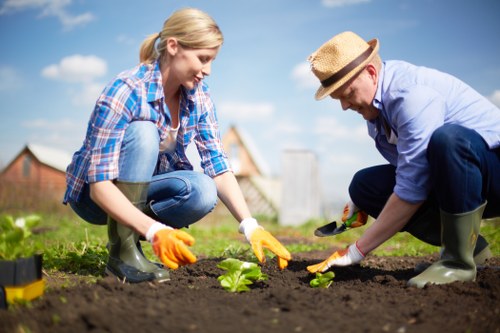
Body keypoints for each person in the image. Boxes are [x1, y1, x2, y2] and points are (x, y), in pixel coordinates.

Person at [63, 8, 291, 283]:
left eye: (212, 61)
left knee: (203, 189)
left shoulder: (199, 98)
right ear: (173, 46)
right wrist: (154, 231)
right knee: (145, 131)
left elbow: (218, 165)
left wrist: (251, 226)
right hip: (95, 198)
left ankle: (134, 233)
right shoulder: (125, 91)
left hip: (142, 191)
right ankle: (121, 254)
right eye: (203, 59)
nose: (207, 70)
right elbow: (99, 187)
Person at [306, 31, 500, 288]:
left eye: (347, 93)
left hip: (492, 170)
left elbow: (412, 188)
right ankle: (472, 250)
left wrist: (356, 251)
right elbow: (409, 171)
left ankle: (457, 262)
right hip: (460, 179)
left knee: (449, 140)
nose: (344, 106)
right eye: (338, 98)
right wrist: (360, 201)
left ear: (371, 74)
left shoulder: (410, 96)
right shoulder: (376, 117)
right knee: (365, 185)